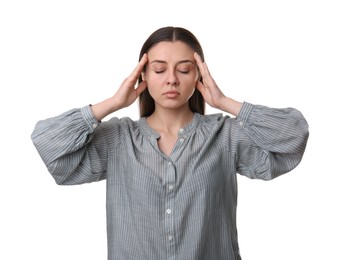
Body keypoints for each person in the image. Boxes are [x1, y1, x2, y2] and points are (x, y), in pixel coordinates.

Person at [31, 26, 309, 260]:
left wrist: (225, 102)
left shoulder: (224, 135)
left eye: (185, 70)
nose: (172, 80)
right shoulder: (118, 139)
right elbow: (48, 144)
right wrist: (114, 103)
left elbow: (294, 136)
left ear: (199, 75)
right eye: (159, 69)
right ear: (143, 75)